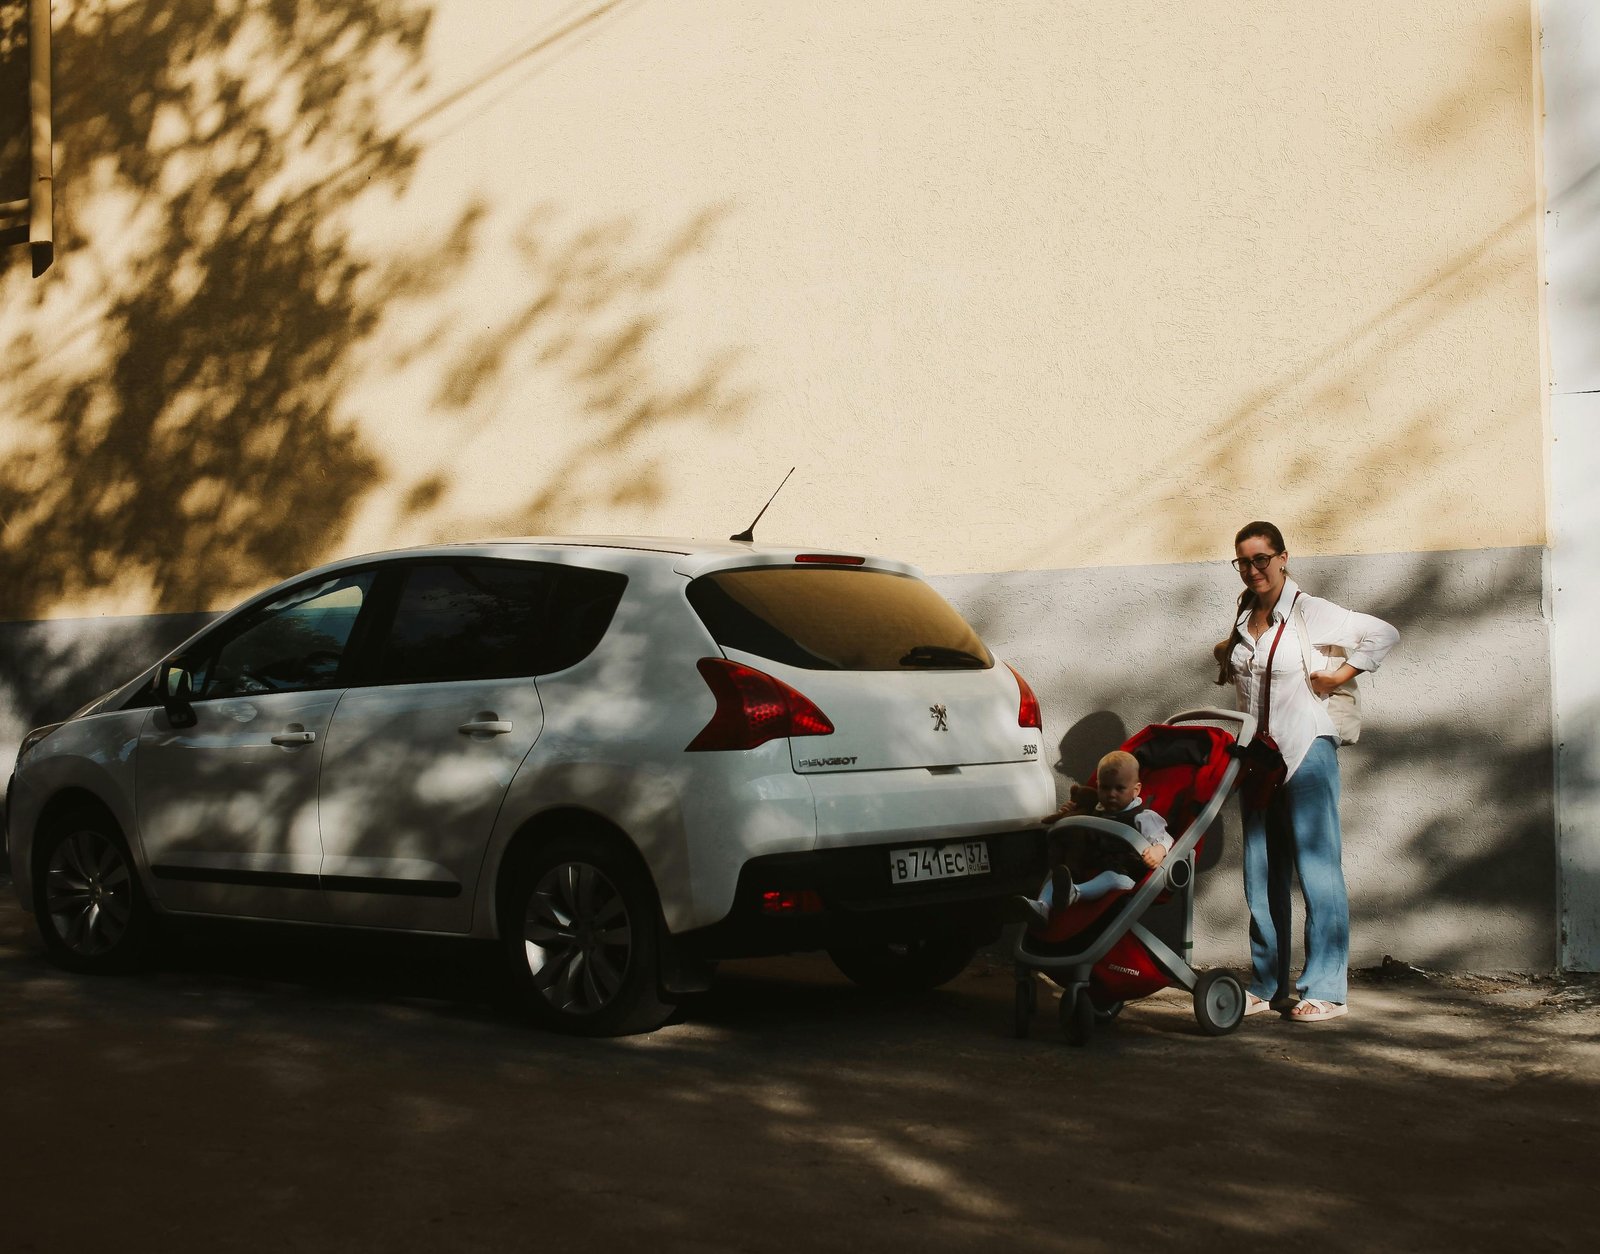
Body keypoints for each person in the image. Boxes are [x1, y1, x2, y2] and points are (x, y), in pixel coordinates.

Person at [1215, 521, 1399, 1023]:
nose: (1253, 569)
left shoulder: (1308, 611)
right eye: (1243, 561)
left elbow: (1382, 632)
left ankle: (1326, 989)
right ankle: (1268, 982)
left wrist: (1339, 674)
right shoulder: (1245, 613)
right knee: (1261, 873)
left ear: (1282, 558)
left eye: (1261, 559)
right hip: (1257, 755)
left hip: (1306, 751)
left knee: (1317, 869)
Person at [1013, 750, 1171, 928]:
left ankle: (1076, 893)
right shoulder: (1097, 809)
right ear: (1097, 786)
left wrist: (1159, 850)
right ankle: (1042, 906)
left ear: (1136, 790)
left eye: (1119, 788)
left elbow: (1166, 837)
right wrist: (1069, 813)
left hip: (1126, 875)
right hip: (1093, 866)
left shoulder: (1143, 817)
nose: (1111, 794)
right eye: (1105, 787)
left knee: (1111, 877)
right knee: (1061, 873)